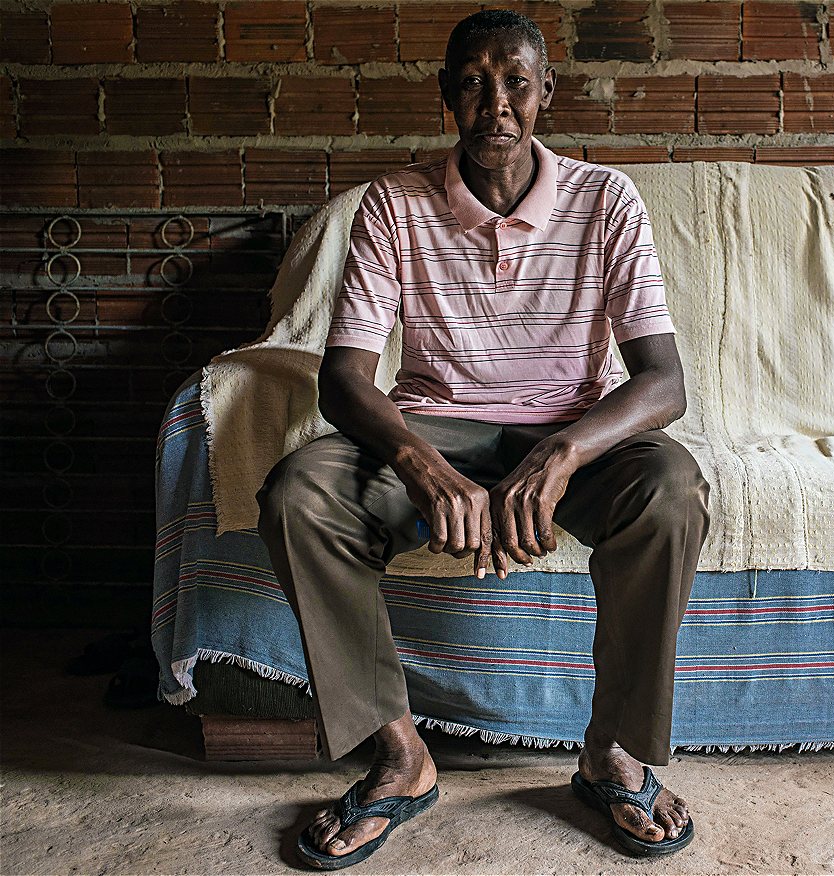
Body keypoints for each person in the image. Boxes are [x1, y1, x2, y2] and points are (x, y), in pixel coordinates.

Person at [255, 8, 709, 869]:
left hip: (572, 435)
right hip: (434, 424)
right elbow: (346, 377)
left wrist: (564, 451)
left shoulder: (606, 199)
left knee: (672, 491)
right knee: (297, 493)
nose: (495, 103)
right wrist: (423, 464)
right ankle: (401, 757)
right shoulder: (392, 204)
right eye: (473, 82)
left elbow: (663, 381)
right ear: (447, 97)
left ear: (544, 93)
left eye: (514, 83)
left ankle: (610, 753)